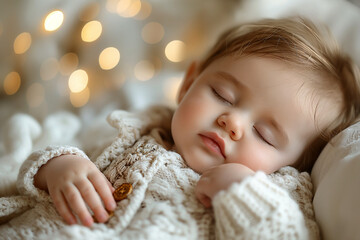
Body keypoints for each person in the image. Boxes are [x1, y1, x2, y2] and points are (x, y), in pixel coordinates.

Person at [1, 17, 359, 239]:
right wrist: (58, 166)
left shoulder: (279, 191)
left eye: (265, 134)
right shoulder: (131, 126)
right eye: (223, 94)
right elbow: (53, 142)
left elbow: (286, 235)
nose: (232, 122)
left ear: (296, 163)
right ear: (188, 83)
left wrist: (243, 192)